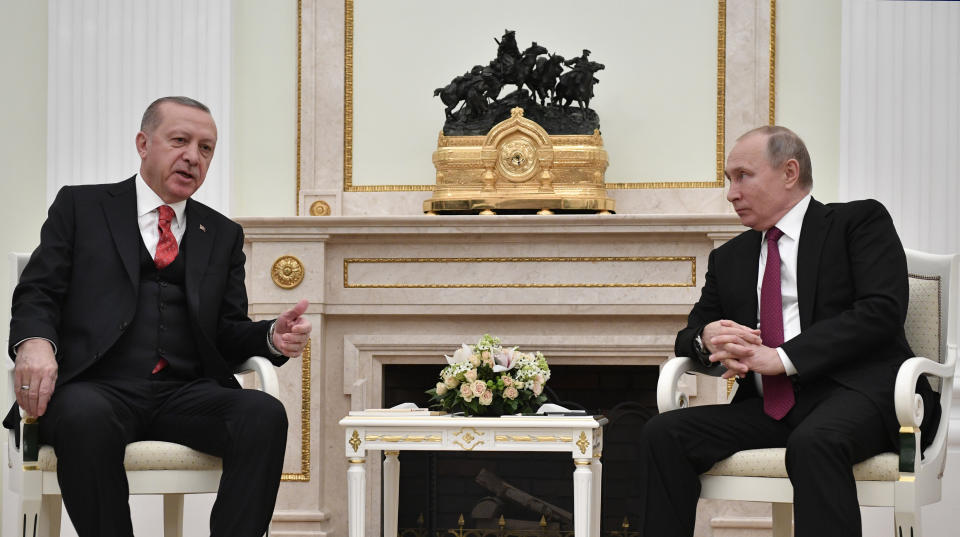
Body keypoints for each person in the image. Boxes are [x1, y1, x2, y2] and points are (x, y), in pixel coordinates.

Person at [4, 96, 312, 537]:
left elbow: (225, 330)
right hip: (97, 387)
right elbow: (38, 291)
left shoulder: (222, 234)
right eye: (180, 141)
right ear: (143, 144)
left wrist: (270, 338)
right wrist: (35, 344)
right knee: (83, 416)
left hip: (183, 392)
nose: (193, 157)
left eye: (206, 148)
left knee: (262, 414)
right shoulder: (81, 208)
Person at [635, 126, 939, 537]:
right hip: (772, 409)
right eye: (729, 180)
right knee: (663, 433)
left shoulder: (858, 222)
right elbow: (689, 333)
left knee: (816, 441)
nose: (731, 192)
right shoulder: (729, 258)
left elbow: (880, 312)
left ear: (789, 172)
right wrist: (707, 338)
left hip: (862, 395)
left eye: (743, 176)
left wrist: (780, 358)